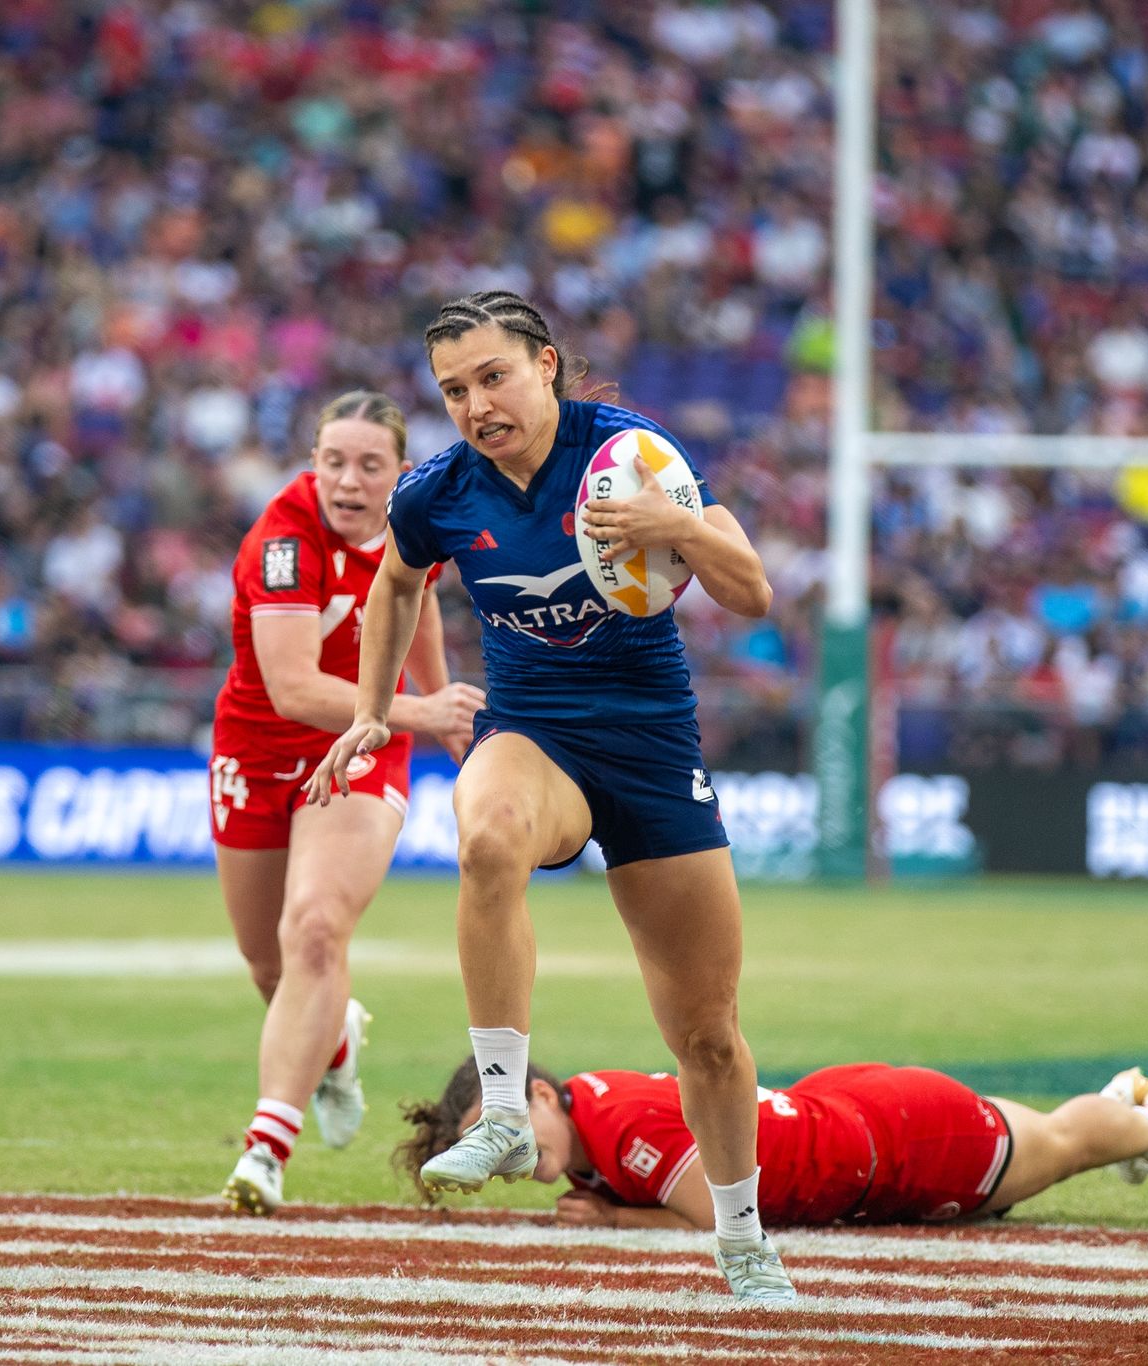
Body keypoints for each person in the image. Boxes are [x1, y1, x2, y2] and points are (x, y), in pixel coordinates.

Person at [307, 290, 794, 1304]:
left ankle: (743, 1243)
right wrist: (370, 707)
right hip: (532, 733)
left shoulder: (629, 453)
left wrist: (673, 522)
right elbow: (396, 584)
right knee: (484, 835)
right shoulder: (437, 490)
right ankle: (496, 1109)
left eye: (492, 376)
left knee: (706, 1031)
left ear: (545, 366)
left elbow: (750, 592)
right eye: (453, 389)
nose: (476, 403)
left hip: (653, 747)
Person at [213, 390, 485, 1216]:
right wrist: (423, 708)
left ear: (398, 472)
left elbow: (419, 602)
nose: (348, 480)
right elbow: (293, 689)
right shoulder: (283, 543)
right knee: (272, 965)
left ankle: (265, 1150)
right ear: (313, 465)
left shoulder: (415, 520)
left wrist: (443, 717)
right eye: (333, 461)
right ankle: (337, 1041)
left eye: (369, 464)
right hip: (259, 755)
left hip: (363, 749)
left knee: (317, 928)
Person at [397, 1059, 1148, 1229]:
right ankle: (1122, 1104)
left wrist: (615, 1224)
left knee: (1057, 1147)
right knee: (1037, 1139)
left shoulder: (622, 1126)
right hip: (845, 1124)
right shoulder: (594, 1127)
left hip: (890, 1146)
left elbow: (721, 1220)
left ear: (541, 1093)